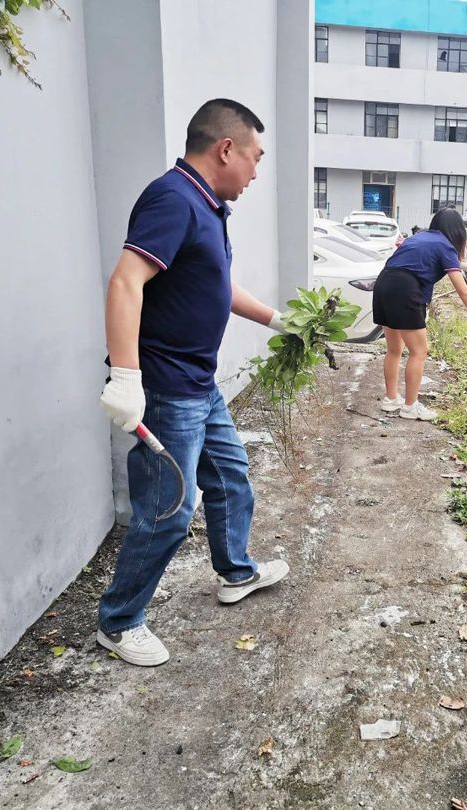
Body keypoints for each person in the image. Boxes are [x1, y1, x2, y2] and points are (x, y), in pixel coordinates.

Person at [96, 99, 291, 666]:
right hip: (167, 387)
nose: (256, 171)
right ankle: (119, 621)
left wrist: (280, 321)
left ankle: (236, 572)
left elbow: (217, 288)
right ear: (226, 149)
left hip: (198, 384)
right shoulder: (173, 199)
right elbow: (126, 281)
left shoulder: (207, 206)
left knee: (229, 475)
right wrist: (126, 376)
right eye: (255, 157)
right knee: (170, 507)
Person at [373, 208, 467, 420]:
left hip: (383, 284)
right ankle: (410, 406)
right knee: (419, 351)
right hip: (405, 289)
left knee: (394, 349)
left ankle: (391, 399)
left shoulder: (420, 238)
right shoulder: (445, 245)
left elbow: (443, 260)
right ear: (457, 231)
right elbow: (462, 289)